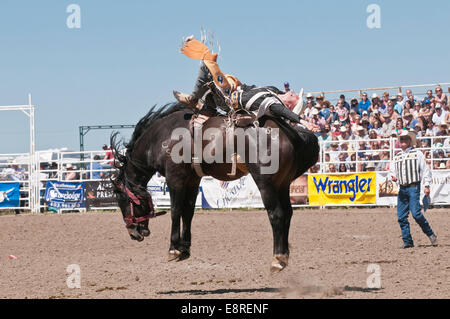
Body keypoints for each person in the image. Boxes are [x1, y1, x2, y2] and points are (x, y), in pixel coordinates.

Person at [173, 37, 318, 131]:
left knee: (208, 65)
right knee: (212, 69)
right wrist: (237, 84)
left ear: (291, 104)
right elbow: (251, 88)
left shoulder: (274, 105)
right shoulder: (273, 90)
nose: (293, 92)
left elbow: (285, 113)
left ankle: (194, 98)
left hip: (228, 101)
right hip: (231, 91)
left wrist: (304, 122)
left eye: (296, 96)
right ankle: (200, 102)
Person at [389, 130, 438, 249]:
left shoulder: (417, 154)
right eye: (401, 139)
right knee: (401, 217)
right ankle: (408, 241)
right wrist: (393, 178)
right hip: (402, 188)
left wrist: (427, 185)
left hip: (413, 187)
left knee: (416, 213)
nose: (403, 141)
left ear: (410, 141)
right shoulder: (397, 156)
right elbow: (391, 172)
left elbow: (425, 170)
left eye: (405, 139)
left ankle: (430, 233)